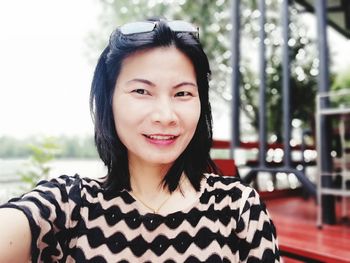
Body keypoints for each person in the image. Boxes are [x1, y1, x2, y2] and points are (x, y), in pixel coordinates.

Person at [0, 18, 280, 262]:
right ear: (109, 102)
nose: (165, 115)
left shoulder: (238, 207)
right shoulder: (70, 206)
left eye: (182, 94)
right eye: (141, 91)